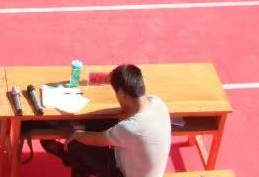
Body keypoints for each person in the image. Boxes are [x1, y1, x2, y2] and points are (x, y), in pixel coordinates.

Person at [39, 64, 171, 177]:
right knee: (98, 128)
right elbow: (127, 121)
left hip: (123, 173)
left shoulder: (131, 127)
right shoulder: (157, 102)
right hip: (142, 168)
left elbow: (98, 140)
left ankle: (65, 153)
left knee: (77, 144)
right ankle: (78, 166)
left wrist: (76, 134)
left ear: (121, 93)